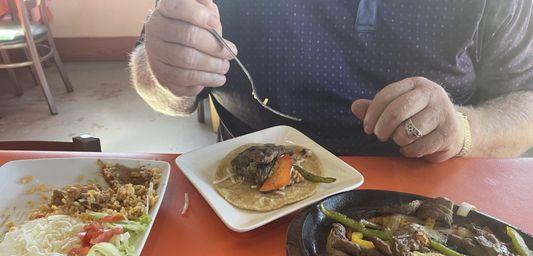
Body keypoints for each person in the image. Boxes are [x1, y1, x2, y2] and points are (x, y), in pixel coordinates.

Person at [130, 0, 533, 161]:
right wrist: (166, 79)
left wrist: (463, 129)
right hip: (247, 199)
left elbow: (525, 101)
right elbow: (153, 82)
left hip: (429, 203)